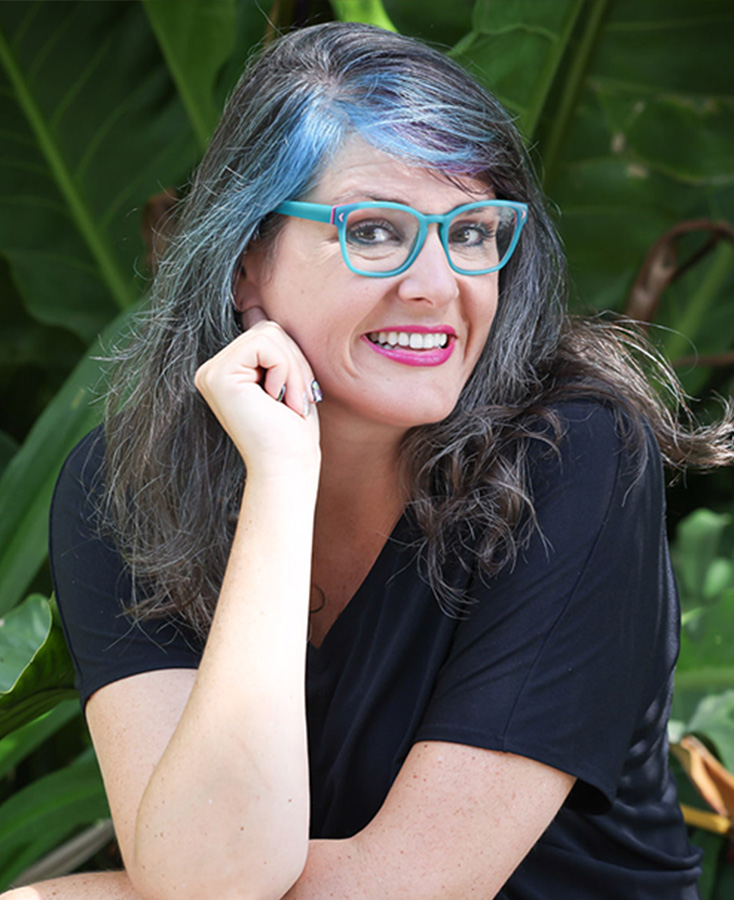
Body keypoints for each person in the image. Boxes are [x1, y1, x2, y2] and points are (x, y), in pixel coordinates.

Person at [7, 21, 734, 900]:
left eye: (472, 232)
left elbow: (409, 887)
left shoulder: (573, 452)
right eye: (377, 231)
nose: (437, 284)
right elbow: (207, 875)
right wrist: (280, 480)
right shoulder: (127, 488)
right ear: (245, 263)